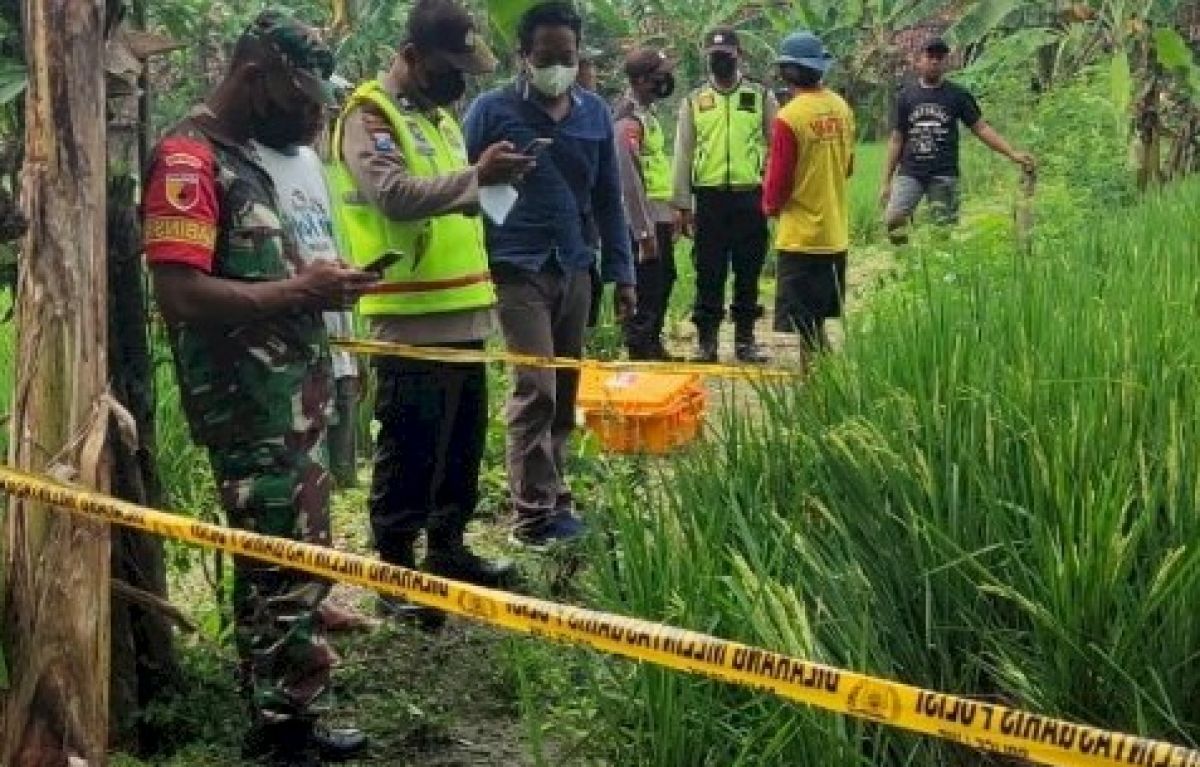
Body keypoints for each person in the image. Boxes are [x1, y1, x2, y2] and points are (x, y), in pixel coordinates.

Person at [142, 11, 374, 765]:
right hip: (245, 406)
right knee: (279, 566)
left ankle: (287, 713)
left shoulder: (250, 157)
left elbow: (270, 276)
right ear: (255, 73)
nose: (312, 110)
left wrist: (318, 288)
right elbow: (180, 295)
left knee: (292, 560)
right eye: (301, 92)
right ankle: (282, 734)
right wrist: (300, 291)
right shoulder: (188, 158)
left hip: (289, 401)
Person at [328, 0, 530, 619]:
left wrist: (492, 181)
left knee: (460, 442)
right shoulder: (372, 113)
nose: (458, 81)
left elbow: (451, 198)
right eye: (449, 67)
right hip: (409, 312)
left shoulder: (439, 118)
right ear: (412, 57)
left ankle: (448, 550)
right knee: (411, 443)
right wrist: (476, 177)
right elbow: (391, 195)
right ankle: (395, 572)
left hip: (463, 306)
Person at [464, 1, 635, 548]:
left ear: (579, 54)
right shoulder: (490, 112)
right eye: (545, 56)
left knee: (565, 385)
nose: (556, 66)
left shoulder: (594, 115)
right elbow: (461, 185)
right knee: (535, 386)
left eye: (567, 56)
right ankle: (532, 514)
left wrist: (623, 271)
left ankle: (554, 493)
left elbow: (609, 198)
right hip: (516, 266)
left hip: (575, 263)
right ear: (523, 56)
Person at [672, 26, 777, 363]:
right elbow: (684, 153)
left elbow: (776, 147)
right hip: (709, 199)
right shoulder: (694, 101)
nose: (720, 62)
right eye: (714, 57)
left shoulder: (761, 97)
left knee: (748, 270)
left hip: (750, 196)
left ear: (738, 56)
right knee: (709, 271)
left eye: (726, 56)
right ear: (707, 59)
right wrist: (682, 204)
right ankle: (707, 342)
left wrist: (772, 194)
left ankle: (745, 340)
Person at [881, 36, 1035, 243]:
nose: (935, 61)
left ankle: (937, 272)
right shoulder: (906, 96)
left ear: (945, 62)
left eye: (939, 57)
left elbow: (981, 128)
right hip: (910, 172)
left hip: (944, 174)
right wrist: (886, 181)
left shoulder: (957, 95)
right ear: (919, 60)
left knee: (942, 235)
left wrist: (1011, 153)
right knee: (894, 220)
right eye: (930, 56)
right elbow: (897, 139)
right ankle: (905, 261)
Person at [761, 31, 855, 356]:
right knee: (815, 323)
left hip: (801, 237)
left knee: (805, 326)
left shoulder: (790, 117)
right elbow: (849, 165)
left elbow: (779, 181)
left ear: (789, 72)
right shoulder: (841, 107)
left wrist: (769, 207)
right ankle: (819, 386)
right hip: (834, 232)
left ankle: (817, 389)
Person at [614, 46, 678, 361]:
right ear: (640, 81)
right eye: (658, 77)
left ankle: (652, 343)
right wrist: (643, 231)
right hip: (642, 220)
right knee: (647, 284)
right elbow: (629, 180)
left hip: (658, 213)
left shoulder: (646, 115)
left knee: (664, 279)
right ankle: (641, 349)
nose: (665, 82)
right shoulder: (627, 120)